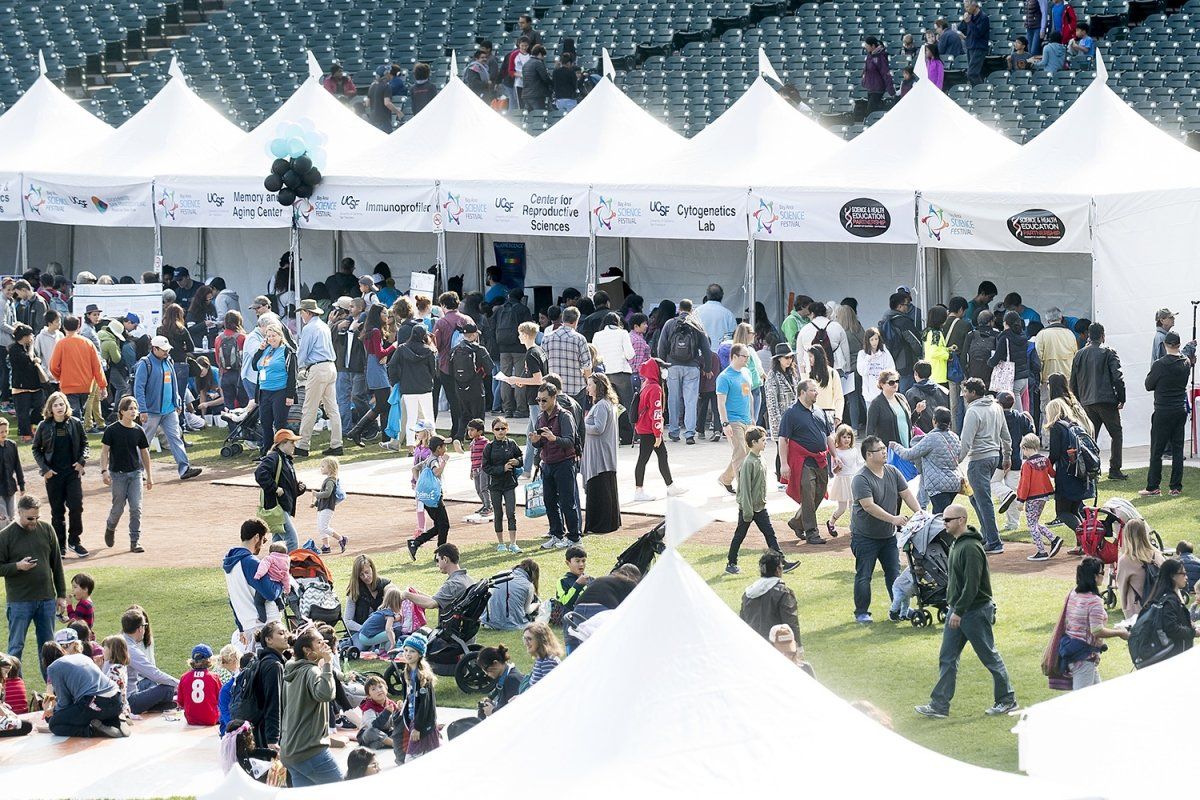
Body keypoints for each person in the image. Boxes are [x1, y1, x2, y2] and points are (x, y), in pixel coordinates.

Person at [915, 503, 1016, 718]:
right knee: (947, 657)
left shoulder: (970, 548)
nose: (944, 524)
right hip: (959, 610)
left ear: (961, 520)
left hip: (974, 611)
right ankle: (939, 705)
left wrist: (958, 611)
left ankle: (1007, 700)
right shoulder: (957, 544)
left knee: (989, 655)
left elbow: (972, 584)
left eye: (948, 520)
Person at [850, 435, 920, 624]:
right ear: (868, 455)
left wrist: (921, 513)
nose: (884, 452)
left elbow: (906, 494)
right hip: (865, 536)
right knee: (864, 575)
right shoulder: (860, 479)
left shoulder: (892, 471)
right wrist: (894, 519)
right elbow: (869, 506)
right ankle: (862, 613)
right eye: (879, 449)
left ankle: (900, 609)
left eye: (883, 448)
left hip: (888, 536)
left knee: (894, 574)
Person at [0, 495, 66, 673]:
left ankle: (52, 688)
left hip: (46, 599)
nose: (34, 522)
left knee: (49, 649)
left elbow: (56, 564)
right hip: (19, 601)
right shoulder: (5, 536)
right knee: (15, 648)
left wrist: (61, 594)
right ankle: (15, 689)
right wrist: (17, 566)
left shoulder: (47, 529)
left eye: (37, 517)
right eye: (30, 518)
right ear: (18, 512)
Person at [727, 427, 797, 574]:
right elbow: (744, 489)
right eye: (763, 440)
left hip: (759, 506)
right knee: (740, 535)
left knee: (770, 534)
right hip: (749, 507)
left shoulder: (760, 459)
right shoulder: (748, 463)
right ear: (754, 442)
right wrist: (747, 511)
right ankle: (731, 562)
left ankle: (782, 562)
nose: (765, 443)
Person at [132, 335, 202, 481]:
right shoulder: (145, 364)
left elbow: (174, 384)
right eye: (163, 350)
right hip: (151, 411)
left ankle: (184, 469)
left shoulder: (168, 361)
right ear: (154, 349)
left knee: (176, 437)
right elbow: (138, 388)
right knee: (145, 441)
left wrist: (177, 402)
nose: (166, 352)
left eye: (167, 350)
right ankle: (138, 470)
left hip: (169, 409)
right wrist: (142, 409)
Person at [31, 391, 88, 558]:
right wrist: (45, 469)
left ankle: (74, 541)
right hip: (54, 475)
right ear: (50, 408)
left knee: (76, 506)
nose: (59, 407)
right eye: (55, 405)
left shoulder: (75, 423)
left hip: (72, 473)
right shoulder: (44, 426)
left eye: (61, 404)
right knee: (57, 511)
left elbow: (85, 443)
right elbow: (36, 449)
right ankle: (60, 545)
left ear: (66, 406)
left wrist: (81, 461)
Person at [958, 378, 1011, 553]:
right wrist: (1007, 456)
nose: (964, 395)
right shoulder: (996, 406)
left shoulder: (973, 411)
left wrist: (955, 461)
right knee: (975, 498)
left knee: (983, 500)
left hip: (978, 460)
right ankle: (987, 535)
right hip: (994, 457)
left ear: (973, 393)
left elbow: (965, 442)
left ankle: (994, 542)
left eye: (966, 391)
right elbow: (1006, 435)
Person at [1059, 556, 1130, 689]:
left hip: (1074, 651)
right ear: (1094, 576)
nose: (1103, 576)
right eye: (1101, 573)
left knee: (1098, 697)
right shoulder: (1094, 600)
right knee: (1082, 700)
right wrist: (1120, 633)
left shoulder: (1073, 594)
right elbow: (1097, 630)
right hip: (1083, 657)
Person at [778, 379, 834, 544]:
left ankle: (797, 521)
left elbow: (829, 435)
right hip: (803, 461)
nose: (816, 393)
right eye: (813, 390)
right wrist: (783, 464)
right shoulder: (791, 413)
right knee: (808, 495)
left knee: (820, 491)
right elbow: (783, 440)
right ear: (802, 392)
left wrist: (836, 456)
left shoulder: (819, 411)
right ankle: (812, 533)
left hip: (821, 459)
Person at [1070, 323, 1126, 480]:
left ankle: (1092, 469)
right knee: (1116, 434)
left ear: (1088, 335)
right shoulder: (1108, 352)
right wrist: (1121, 398)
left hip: (1087, 401)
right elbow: (1117, 377)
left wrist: (1078, 401)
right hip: (1106, 401)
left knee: (1090, 437)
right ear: (1103, 335)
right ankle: (1115, 469)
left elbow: (1072, 381)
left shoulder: (1079, 354)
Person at [1142, 331, 1196, 496]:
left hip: (1163, 410)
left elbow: (1148, 385)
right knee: (1178, 450)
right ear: (1178, 345)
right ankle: (1175, 487)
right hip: (1180, 410)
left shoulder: (1160, 364)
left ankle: (1153, 486)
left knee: (1157, 450)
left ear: (1165, 345)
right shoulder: (1185, 362)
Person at [40, 638, 127, 738]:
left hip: (96, 703)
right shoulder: (81, 656)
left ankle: (92, 731)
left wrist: (54, 711)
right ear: (62, 651)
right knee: (84, 711)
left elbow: (65, 702)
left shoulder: (53, 668)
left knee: (55, 723)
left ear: (44, 660)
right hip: (117, 699)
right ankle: (114, 720)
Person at [530, 382, 581, 548]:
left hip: (564, 463)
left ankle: (574, 537)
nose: (541, 403)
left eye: (544, 400)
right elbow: (540, 445)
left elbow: (570, 441)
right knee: (549, 501)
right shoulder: (540, 417)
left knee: (567, 502)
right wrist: (536, 442)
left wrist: (554, 438)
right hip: (548, 463)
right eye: (538, 400)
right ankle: (556, 534)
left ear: (553, 398)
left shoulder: (565, 416)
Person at [100, 396, 152, 553]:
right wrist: (104, 471)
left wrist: (149, 475)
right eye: (130, 408)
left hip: (135, 474)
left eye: (135, 408)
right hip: (118, 475)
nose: (134, 411)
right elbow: (104, 452)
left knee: (136, 507)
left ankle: (134, 541)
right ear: (122, 411)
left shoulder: (138, 430)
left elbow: (145, 453)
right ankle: (110, 527)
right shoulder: (112, 430)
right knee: (118, 508)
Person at [1045, 373, 1095, 538]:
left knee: (1063, 511)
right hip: (1079, 472)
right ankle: (1084, 542)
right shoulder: (1074, 422)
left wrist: (1045, 465)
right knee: (1075, 509)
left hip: (1066, 474)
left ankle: (1084, 537)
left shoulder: (1057, 427)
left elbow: (1054, 453)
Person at [656, 299, 712, 443]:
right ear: (691, 309)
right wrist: (707, 367)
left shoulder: (670, 323)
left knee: (673, 399)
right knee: (691, 401)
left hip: (672, 366)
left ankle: (674, 431)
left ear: (679, 309)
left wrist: (662, 365)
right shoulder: (697, 325)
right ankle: (689, 434)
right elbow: (706, 349)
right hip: (692, 367)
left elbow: (661, 347)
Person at [294, 299, 343, 458]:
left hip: (317, 368)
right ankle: (337, 444)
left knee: (309, 408)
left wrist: (300, 367)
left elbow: (303, 351)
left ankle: (302, 445)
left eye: (302, 312)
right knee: (332, 408)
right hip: (330, 366)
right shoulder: (323, 326)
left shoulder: (309, 328)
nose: (301, 315)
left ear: (307, 312)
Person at [890, 407, 961, 515]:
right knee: (942, 516)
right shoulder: (955, 437)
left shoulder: (931, 438)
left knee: (940, 519)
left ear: (934, 420)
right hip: (954, 484)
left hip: (938, 486)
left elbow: (909, 454)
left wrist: (896, 446)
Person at [632, 357, 684, 501]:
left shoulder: (647, 383)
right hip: (649, 430)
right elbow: (655, 412)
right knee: (644, 459)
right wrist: (658, 434)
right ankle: (639, 490)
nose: (665, 371)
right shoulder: (655, 388)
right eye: (663, 368)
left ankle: (670, 486)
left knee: (661, 456)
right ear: (656, 370)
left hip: (644, 428)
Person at [582, 374, 621, 535]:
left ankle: (598, 525)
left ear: (598, 386)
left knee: (599, 490)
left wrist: (582, 425)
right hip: (603, 454)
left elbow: (598, 428)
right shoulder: (607, 404)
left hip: (600, 456)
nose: (588, 388)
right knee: (605, 490)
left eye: (590, 384)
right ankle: (607, 523)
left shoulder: (601, 405)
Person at [251, 323, 298, 458]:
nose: (271, 338)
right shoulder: (266, 350)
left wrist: (290, 395)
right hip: (265, 392)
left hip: (280, 391)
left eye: (274, 335)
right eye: (268, 336)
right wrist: (260, 350)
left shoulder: (286, 351)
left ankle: (283, 452)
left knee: (279, 423)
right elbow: (254, 366)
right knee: (265, 423)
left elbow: (292, 374)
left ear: (280, 336)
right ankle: (267, 453)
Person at [120, 607, 178, 714]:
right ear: (140, 629)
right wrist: (182, 684)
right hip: (128, 702)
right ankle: (153, 706)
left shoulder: (117, 641)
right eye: (145, 626)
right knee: (168, 688)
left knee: (149, 683)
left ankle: (154, 705)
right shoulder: (131, 649)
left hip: (115, 697)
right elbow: (155, 674)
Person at [1016, 433, 1063, 561]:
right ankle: (1054, 538)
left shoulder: (1027, 465)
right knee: (1035, 523)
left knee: (1032, 525)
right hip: (1044, 497)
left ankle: (1041, 551)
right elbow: (1052, 474)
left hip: (1032, 497)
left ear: (1025, 448)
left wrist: (1020, 500)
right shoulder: (1045, 460)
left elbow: (1025, 484)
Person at [393, 631, 438, 764]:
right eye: (405, 650)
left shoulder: (422, 677)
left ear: (419, 654)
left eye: (412, 651)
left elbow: (425, 704)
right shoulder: (406, 673)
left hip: (421, 723)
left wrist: (417, 727)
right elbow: (409, 696)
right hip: (413, 719)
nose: (407, 654)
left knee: (411, 760)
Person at [49, 315, 106, 421]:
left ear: (64, 327)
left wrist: (60, 377)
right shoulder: (88, 343)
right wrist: (102, 385)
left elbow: (53, 366)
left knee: (73, 415)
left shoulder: (61, 344)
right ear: (78, 326)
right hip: (85, 385)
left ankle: (76, 434)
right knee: (78, 413)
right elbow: (97, 366)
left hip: (68, 384)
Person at [717, 344, 756, 495]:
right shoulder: (724, 377)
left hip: (746, 419)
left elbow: (748, 395)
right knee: (740, 453)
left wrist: (752, 417)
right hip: (733, 420)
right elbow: (721, 402)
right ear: (734, 357)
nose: (747, 359)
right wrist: (725, 423)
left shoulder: (746, 373)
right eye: (744, 356)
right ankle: (744, 489)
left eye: (748, 356)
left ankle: (726, 479)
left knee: (744, 452)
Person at [739, 551, 800, 641]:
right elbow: (791, 623)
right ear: (778, 569)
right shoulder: (783, 593)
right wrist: (797, 647)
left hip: (751, 645)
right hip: (775, 647)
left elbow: (741, 622)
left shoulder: (748, 593)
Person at [450, 324, 494, 444]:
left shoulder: (455, 350)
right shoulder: (479, 350)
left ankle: (459, 437)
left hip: (460, 388)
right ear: (474, 335)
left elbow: (450, 370)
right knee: (478, 416)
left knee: (464, 414)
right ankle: (479, 441)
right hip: (476, 387)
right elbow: (490, 369)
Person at [407, 436, 450, 558]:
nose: (446, 449)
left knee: (440, 525)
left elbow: (415, 468)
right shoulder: (433, 460)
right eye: (444, 446)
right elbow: (437, 472)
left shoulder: (428, 459)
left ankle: (416, 543)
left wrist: (418, 482)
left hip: (427, 497)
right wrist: (445, 461)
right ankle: (441, 554)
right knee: (444, 525)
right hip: (434, 498)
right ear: (438, 448)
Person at [542, 305, 591, 409]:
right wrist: (588, 383)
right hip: (576, 387)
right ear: (576, 321)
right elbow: (587, 365)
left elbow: (543, 363)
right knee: (577, 421)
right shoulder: (579, 338)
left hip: (554, 388)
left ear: (562, 318)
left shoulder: (547, 338)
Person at [403, 543, 472, 615]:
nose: (437, 564)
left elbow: (431, 604)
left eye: (437, 560)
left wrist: (406, 595)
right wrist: (418, 594)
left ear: (445, 559)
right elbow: (439, 601)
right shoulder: (468, 579)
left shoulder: (452, 584)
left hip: (450, 625)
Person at [1116, 519, 1165, 620]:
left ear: (1127, 536)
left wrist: (1126, 613)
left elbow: (1122, 590)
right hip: (1160, 609)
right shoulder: (1158, 555)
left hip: (1137, 612)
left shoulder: (1126, 560)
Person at [880, 292, 923, 392]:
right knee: (907, 394)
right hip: (906, 364)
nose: (908, 307)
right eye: (906, 304)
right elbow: (915, 342)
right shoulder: (904, 322)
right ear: (899, 306)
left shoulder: (884, 321)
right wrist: (920, 355)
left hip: (890, 363)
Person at [989, 311, 1030, 413]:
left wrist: (990, 362)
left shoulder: (1005, 337)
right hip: (1024, 378)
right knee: (1019, 409)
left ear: (1006, 323)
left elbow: (997, 357)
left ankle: (1021, 428)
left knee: (1017, 413)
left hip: (1012, 378)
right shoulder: (1023, 336)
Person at [10, 324, 44, 440]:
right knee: (23, 412)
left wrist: (37, 359)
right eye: (30, 335)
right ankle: (25, 435)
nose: (32, 337)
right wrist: (31, 348)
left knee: (39, 407)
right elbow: (27, 359)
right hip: (21, 386)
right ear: (24, 337)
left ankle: (32, 428)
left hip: (35, 385)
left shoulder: (30, 347)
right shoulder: (14, 349)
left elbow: (35, 358)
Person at [866, 369, 914, 449]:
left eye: (897, 381)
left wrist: (917, 412)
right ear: (882, 384)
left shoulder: (901, 398)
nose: (895, 384)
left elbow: (908, 421)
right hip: (889, 449)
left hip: (907, 445)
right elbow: (870, 430)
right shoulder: (876, 403)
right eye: (891, 382)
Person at [343, 554, 390, 636]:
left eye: (367, 572)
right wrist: (364, 629)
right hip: (361, 632)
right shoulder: (354, 591)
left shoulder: (385, 585)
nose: (365, 577)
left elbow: (396, 607)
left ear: (372, 568)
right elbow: (347, 621)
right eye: (361, 575)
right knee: (360, 647)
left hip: (383, 629)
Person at [177, 644, 221, 726]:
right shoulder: (214, 677)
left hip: (191, 720)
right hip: (211, 719)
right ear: (209, 660)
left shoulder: (184, 677)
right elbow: (220, 700)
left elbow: (180, 702)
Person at [311, 456, 346, 555]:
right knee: (320, 526)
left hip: (327, 507)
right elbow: (324, 494)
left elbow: (327, 494)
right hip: (322, 506)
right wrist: (315, 503)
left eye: (323, 466)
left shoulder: (330, 481)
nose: (321, 468)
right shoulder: (328, 480)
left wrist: (316, 494)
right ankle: (326, 546)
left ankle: (341, 538)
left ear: (330, 468)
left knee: (324, 527)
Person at [477, 645, 522, 718]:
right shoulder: (504, 676)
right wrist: (489, 700)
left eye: (487, 670)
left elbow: (512, 712)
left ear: (495, 663)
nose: (487, 674)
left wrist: (492, 711)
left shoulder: (512, 679)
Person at [522, 622, 563, 689]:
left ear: (540, 640)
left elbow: (548, 691)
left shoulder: (548, 662)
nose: (526, 643)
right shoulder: (541, 659)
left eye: (529, 639)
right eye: (524, 639)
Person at [861, 36, 896, 113]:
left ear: (873, 46)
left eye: (867, 45)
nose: (865, 47)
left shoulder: (880, 57)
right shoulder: (869, 55)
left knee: (871, 111)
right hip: (870, 87)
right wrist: (864, 81)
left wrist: (891, 91)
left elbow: (886, 74)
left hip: (877, 88)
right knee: (871, 110)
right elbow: (866, 70)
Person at [696, 284, 737, 349]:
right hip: (721, 354)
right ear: (722, 296)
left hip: (700, 353)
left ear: (707, 295)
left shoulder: (696, 312)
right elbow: (734, 337)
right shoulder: (728, 314)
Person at [961, 0, 991, 85]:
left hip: (979, 48)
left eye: (967, 7)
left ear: (974, 5)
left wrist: (969, 22)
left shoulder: (983, 17)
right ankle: (977, 92)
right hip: (970, 46)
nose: (965, 9)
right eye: (965, 7)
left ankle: (980, 92)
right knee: (974, 73)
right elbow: (962, 28)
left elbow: (978, 33)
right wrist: (965, 21)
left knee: (972, 73)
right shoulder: (970, 16)